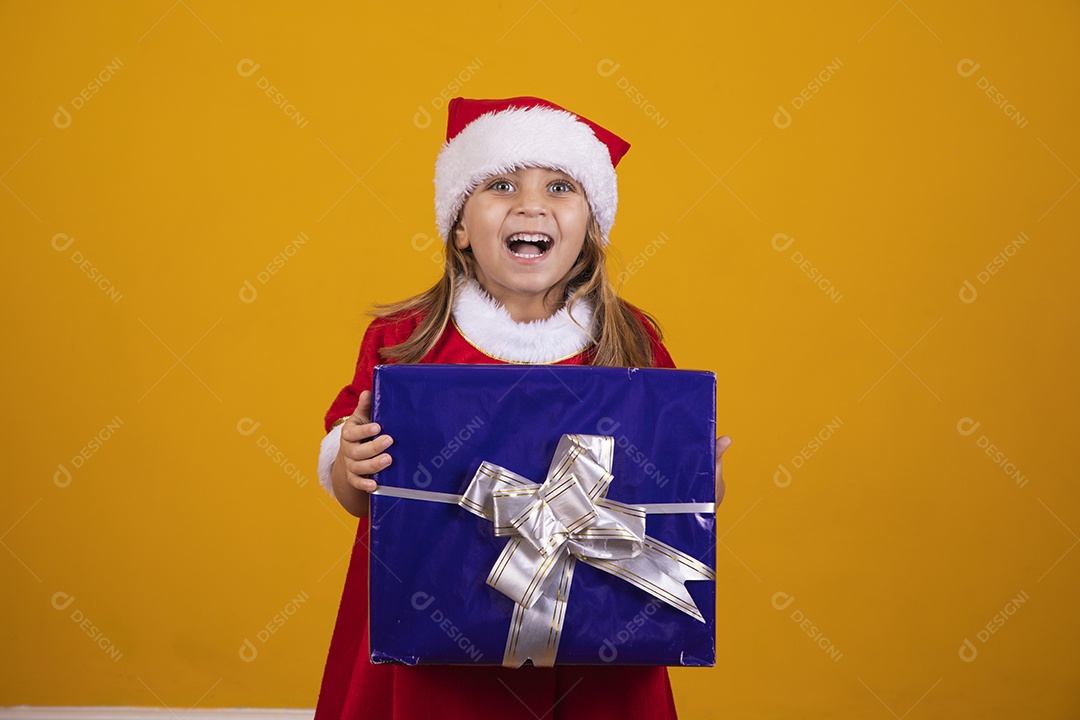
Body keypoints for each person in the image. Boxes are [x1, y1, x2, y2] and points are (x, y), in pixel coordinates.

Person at [313, 96, 731, 719]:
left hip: (599, 641)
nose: (530, 204)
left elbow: (668, 506)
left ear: (590, 227)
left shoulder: (633, 343)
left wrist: (702, 483)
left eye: (559, 186)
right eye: (501, 184)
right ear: (459, 225)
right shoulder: (404, 342)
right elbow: (360, 497)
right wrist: (348, 464)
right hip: (433, 632)